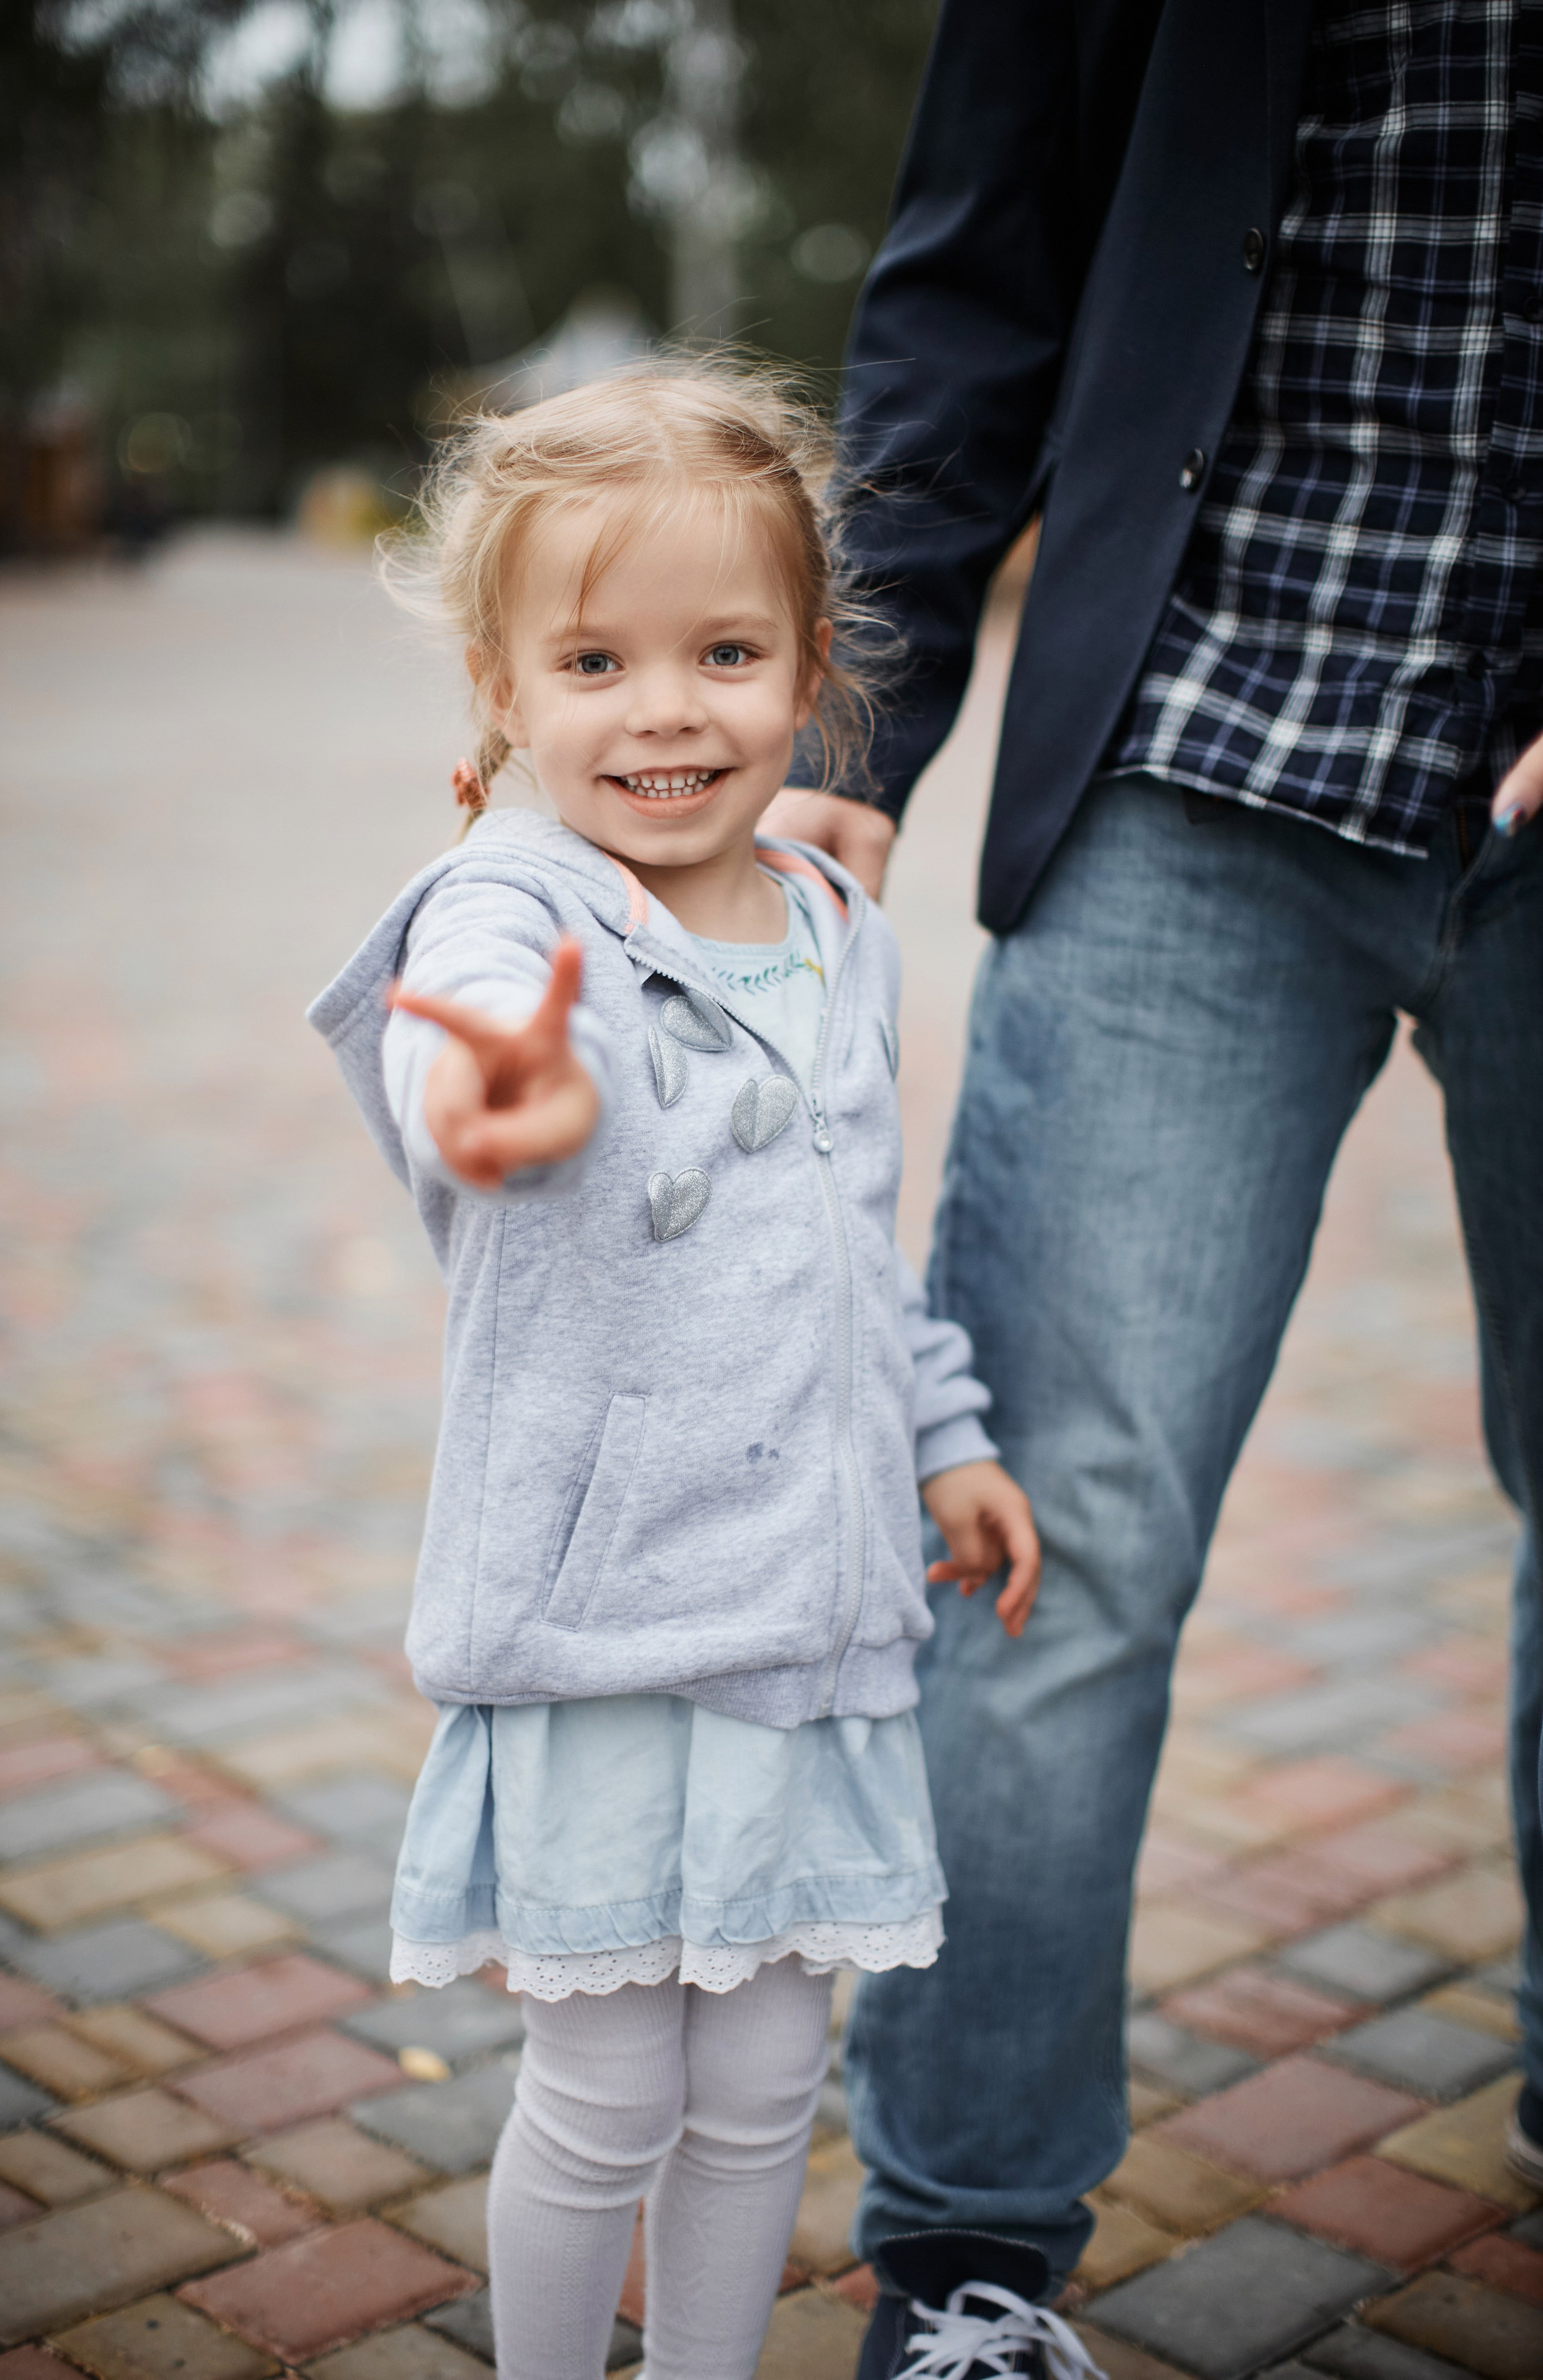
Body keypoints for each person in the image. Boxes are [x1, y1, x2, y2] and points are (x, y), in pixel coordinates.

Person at [762, 0, 1543, 2367]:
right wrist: (852, 721)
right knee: (1041, 1528)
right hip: (1203, 735)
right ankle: (968, 2266)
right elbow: (975, 262)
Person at [308, 364, 1092, 2380]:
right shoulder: (510, 907)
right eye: (596, 661)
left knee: (757, 2093)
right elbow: (473, 1040)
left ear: (811, 669)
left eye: (724, 654)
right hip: (607, 1630)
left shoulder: (839, 929)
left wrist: (943, 1435)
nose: (665, 710)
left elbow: (850, 1241)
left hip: (807, 1633)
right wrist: (498, 1096)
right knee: (604, 2100)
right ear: (503, 690)